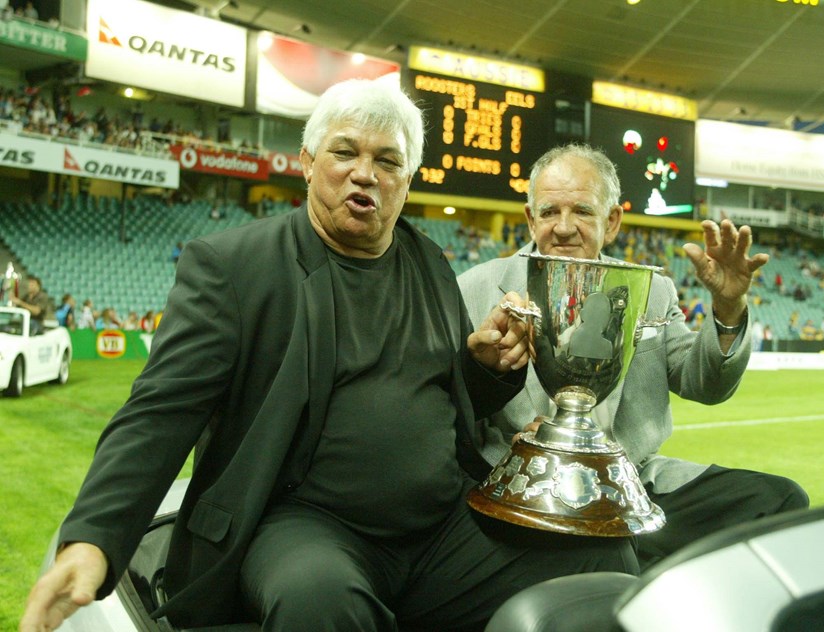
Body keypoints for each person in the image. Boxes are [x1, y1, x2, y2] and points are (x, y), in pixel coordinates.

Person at [21, 81, 637, 632]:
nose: (364, 174)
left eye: (387, 160)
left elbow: (439, 404)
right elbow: (157, 414)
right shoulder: (233, 269)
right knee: (319, 601)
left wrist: (481, 369)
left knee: (599, 556)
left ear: (407, 180)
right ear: (309, 163)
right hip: (303, 526)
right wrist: (92, 542)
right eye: (346, 153)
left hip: (440, 531)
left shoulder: (429, 263)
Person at [457, 143, 809, 571]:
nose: (563, 228)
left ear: (613, 221)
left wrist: (728, 307)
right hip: (524, 489)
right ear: (531, 218)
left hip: (633, 481)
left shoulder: (650, 290)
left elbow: (706, 384)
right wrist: (522, 450)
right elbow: (449, 412)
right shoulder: (473, 289)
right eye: (549, 212)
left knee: (782, 501)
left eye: (582, 211)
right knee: (607, 548)